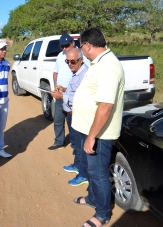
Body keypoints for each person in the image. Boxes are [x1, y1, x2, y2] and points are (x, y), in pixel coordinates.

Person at [72, 28, 125, 227]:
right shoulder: (99, 63)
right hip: (89, 129)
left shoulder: (108, 66)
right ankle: (94, 198)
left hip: (100, 133)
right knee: (91, 171)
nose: (81, 51)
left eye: (81, 47)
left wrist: (92, 136)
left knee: (99, 173)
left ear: (87, 45)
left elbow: (106, 106)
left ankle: (103, 214)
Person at [52, 48, 89, 186]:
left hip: (78, 115)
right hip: (71, 114)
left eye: (73, 62)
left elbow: (82, 97)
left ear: (81, 60)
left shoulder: (84, 74)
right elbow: (74, 91)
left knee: (81, 145)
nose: (70, 65)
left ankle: (83, 174)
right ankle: (77, 165)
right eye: (67, 62)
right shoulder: (76, 72)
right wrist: (64, 89)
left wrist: (62, 96)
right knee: (75, 143)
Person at [48, 33, 75, 150]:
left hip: (73, 95)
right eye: (62, 46)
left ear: (73, 43)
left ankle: (76, 146)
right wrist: (56, 85)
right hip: (60, 94)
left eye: (66, 45)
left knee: (73, 123)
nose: (64, 48)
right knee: (58, 119)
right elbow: (55, 73)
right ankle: (59, 141)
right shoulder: (60, 56)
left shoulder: (80, 55)